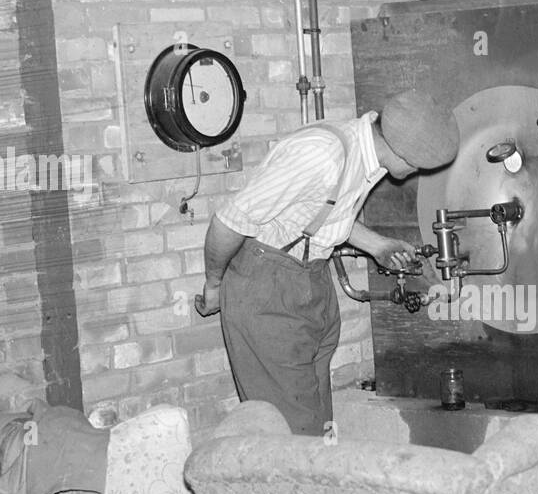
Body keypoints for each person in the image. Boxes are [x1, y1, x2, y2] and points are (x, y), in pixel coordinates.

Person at [195, 90, 459, 436]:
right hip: (267, 291)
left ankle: (319, 467)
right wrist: (214, 285)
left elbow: (323, 214)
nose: (414, 173)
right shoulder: (322, 155)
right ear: (404, 155)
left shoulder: (367, 154)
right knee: (292, 432)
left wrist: (378, 245)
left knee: (319, 422)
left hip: (310, 281)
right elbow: (229, 222)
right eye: (418, 166)